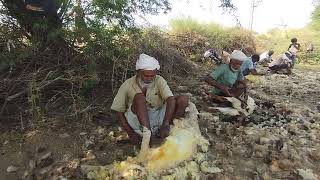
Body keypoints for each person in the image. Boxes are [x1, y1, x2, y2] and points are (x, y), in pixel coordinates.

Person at [111, 54, 189, 145]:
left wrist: (166, 124)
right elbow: (119, 111)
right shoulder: (127, 84)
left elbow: (170, 99)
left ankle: (170, 130)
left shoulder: (159, 80)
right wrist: (130, 133)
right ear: (139, 72)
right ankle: (149, 137)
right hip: (137, 121)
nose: (149, 78)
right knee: (139, 98)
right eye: (146, 75)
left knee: (183, 99)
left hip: (157, 115)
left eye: (152, 76)